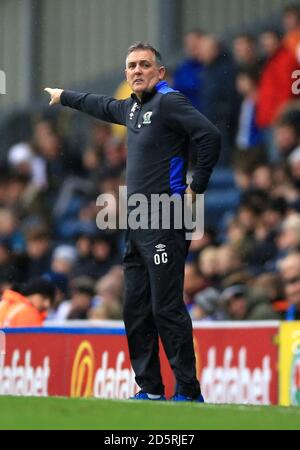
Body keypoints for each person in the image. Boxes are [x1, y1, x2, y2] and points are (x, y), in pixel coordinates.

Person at [44, 42, 221, 402]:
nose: (137, 70)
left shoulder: (170, 102)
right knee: (135, 307)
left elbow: (210, 136)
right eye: (131, 66)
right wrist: (64, 96)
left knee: (165, 306)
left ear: (160, 72)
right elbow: (101, 104)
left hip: (167, 217)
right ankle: (151, 388)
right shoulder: (132, 108)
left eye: (144, 65)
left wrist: (196, 186)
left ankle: (188, 390)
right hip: (137, 219)